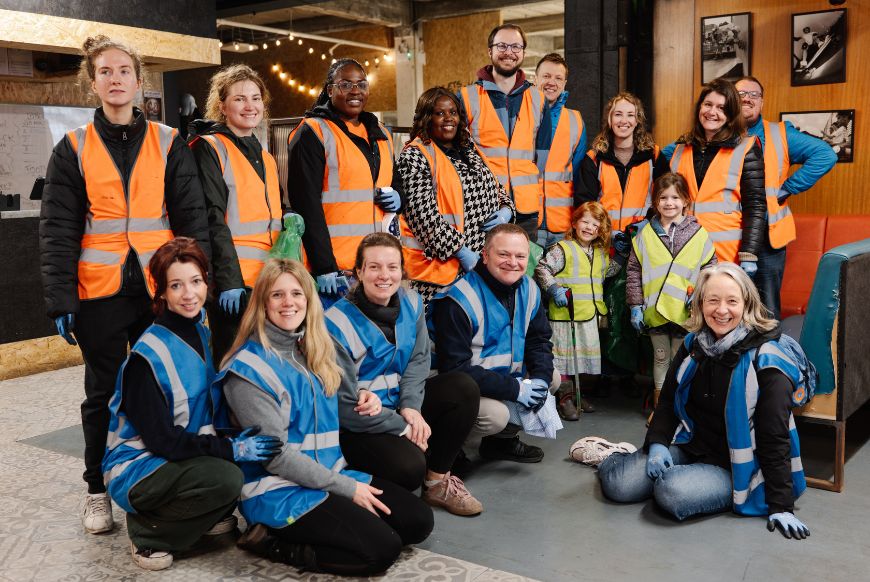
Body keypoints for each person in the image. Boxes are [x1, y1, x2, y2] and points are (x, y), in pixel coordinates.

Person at [39, 35, 210, 535]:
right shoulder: (73, 147)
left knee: (170, 387)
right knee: (103, 394)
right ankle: (97, 489)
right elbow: (58, 228)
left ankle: (168, 477)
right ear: (92, 83)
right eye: (105, 72)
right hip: (100, 292)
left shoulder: (167, 141)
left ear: (139, 81)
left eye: (124, 71)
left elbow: (191, 218)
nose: (115, 79)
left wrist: (197, 286)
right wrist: (60, 298)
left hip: (161, 289)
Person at [218, 258, 434, 575]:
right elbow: (276, 458)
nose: (289, 302)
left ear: (309, 300)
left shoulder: (311, 350)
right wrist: (347, 488)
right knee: (381, 551)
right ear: (262, 303)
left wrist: (364, 395)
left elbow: (337, 400)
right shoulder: (249, 371)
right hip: (278, 490)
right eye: (277, 295)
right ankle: (271, 541)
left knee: (418, 522)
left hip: (327, 474)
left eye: (297, 294)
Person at [101, 237, 281, 571]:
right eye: (176, 285)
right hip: (138, 467)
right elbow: (162, 441)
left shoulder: (200, 332)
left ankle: (199, 517)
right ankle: (148, 532)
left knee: (239, 467)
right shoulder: (146, 357)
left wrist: (234, 439)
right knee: (226, 477)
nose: (189, 294)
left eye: (195, 281)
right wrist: (229, 449)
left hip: (175, 458)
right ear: (161, 292)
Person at [598, 263, 811, 540]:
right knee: (620, 485)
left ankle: (660, 469)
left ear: (747, 304)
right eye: (712, 300)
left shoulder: (767, 359)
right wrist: (658, 444)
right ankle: (615, 455)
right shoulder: (693, 344)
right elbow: (668, 401)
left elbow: (775, 434)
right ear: (700, 303)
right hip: (691, 443)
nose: (721, 310)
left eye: (732, 301)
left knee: (672, 491)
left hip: (735, 465)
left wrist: (781, 505)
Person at [326, 233, 483, 516]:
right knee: (409, 469)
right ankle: (350, 478)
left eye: (392, 267)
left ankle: (436, 483)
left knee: (463, 388)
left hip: (398, 404)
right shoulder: (335, 323)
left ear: (402, 271)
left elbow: (418, 359)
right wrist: (403, 426)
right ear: (359, 272)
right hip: (359, 424)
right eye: (374, 267)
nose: (384, 275)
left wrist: (411, 406)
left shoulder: (411, 302)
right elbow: (344, 409)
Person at [430, 223, 555, 463]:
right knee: (495, 416)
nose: (513, 262)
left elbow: (539, 341)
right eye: (503, 254)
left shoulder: (529, 288)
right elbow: (455, 370)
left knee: (551, 379)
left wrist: (540, 379)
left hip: (497, 378)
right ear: (485, 256)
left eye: (520, 256)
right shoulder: (458, 299)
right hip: (454, 387)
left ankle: (499, 444)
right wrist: (515, 389)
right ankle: (445, 447)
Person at [287, 58, 403, 306]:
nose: (355, 91)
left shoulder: (381, 133)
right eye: (346, 85)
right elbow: (306, 204)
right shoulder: (313, 132)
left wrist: (399, 197)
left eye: (361, 84)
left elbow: (395, 181)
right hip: (337, 273)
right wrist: (324, 266)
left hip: (376, 269)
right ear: (330, 90)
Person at [189, 64, 282, 362]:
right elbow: (212, 218)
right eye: (239, 99)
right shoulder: (209, 148)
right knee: (234, 364)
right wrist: (228, 281)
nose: (249, 106)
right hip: (235, 284)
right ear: (222, 107)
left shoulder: (265, 156)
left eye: (255, 98)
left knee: (267, 362)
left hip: (269, 278)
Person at [398, 87, 514, 305]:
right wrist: (461, 252)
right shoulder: (415, 155)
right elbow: (422, 218)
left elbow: (497, 188)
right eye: (439, 113)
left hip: (482, 265)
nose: (448, 118)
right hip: (442, 274)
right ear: (427, 117)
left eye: (453, 112)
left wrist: (506, 210)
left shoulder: (469, 148)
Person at [734, 76, 836, 320]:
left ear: (762, 102)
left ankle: (770, 346)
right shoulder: (715, 132)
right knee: (725, 303)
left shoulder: (779, 134)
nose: (747, 98)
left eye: (754, 94)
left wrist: (788, 188)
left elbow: (825, 155)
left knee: (766, 309)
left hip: (767, 237)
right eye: (740, 94)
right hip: (726, 233)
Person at [626, 173, 717, 424]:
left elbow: (710, 267)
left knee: (680, 358)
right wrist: (635, 305)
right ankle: (661, 409)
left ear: (686, 200)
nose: (669, 203)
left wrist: (700, 295)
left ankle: (678, 407)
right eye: (663, 197)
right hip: (654, 310)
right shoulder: (645, 234)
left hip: (683, 311)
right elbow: (633, 270)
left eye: (675, 197)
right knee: (660, 357)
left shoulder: (698, 233)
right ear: (655, 202)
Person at [663, 78, 766, 271]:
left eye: (721, 108)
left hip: (725, 255)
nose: (712, 112)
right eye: (708, 104)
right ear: (699, 107)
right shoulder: (680, 150)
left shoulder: (746, 147)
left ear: (731, 114)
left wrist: (749, 254)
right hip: (682, 252)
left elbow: (756, 206)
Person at [534, 202, 619, 419]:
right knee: (563, 358)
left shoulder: (599, 253)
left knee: (580, 358)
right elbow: (542, 268)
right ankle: (564, 399)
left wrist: (621, 256)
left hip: (588, 314)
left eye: (595, 225)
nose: (589, 227)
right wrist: (554, 289)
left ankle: (577, 395)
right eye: (585, 222)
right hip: (566, 314)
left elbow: (606, 272)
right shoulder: (562, 248)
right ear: (574, 223)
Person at [459, 24, 545, 236]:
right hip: (484, 207)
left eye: (516, 46)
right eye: (502, 46)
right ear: (490, 51)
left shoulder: (538, 99)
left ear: (524, 52)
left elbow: (543, 157)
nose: (509, 52)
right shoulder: (466, 97)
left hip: (526, 211)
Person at [577, 92, 669, 237]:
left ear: (637, 120)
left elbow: (667, 198)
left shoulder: (654, 156)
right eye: (618, 114)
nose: (624, 120)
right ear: (610, 119)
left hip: (643, 238)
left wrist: (645, 226)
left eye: (630, 115)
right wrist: (603, 234)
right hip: (603, 240)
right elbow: (584, 205)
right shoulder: (594, 158)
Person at [533, 53, 586, 249]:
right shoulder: (520, 116)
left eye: (558, 78)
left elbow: (578, 173)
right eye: (546, 76)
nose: (551, 83)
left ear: (564, 83)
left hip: (563, 226)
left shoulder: (576, 120)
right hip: (528, 222)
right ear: (535, 79)